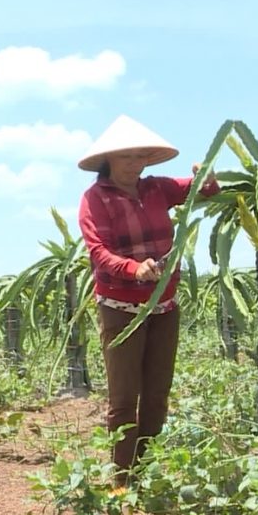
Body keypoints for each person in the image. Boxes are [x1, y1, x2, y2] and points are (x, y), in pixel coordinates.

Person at [76, 114, 220, 486]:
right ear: (108, 161)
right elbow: (99, 251)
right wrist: (133, 269)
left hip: (163, 307)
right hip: (120, 308)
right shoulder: (95, 199)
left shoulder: (158, 189)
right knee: (124, 397)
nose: (134, 165)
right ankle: (122, 479)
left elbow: (201, 189)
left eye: (140, 157)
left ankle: (145, 471)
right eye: (126, 158)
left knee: (157, 393)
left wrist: (205, 175)